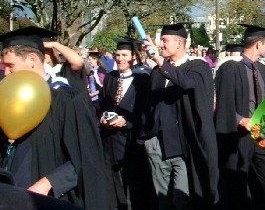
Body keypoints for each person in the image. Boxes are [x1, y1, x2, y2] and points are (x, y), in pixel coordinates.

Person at [0, 26, 111, 209]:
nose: (6, 73)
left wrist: (49, 182)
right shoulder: (7, 97)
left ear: (32, 60)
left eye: (10, 66)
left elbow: (87, 156)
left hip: (47, 199)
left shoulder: (65, 99)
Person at [140, 23, 219, 209]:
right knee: (163, 200)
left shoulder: (197, 67)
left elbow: (187, 83)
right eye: (161, 41)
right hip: (158, 145)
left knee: (181, 200)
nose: (161, 45)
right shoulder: (157, 72)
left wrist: (161, 62)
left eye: (165, 41)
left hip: (184, 147)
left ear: (179, 43)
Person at [214, 24, 265, 210]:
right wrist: (240, 119)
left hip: (262, 135)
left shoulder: (262, 69)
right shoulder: (230, 69)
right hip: (238, 137)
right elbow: (223, 104)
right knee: (238, 185)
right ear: (259, 44)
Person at [99, 37, 152, 209]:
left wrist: (127, 121)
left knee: (133, 183)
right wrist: (102, 117)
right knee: (112, 181)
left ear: (133, 58)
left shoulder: (142, 81)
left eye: (124, 55)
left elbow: (145, 110)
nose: (120, 58)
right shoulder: (110, 78)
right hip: (109, 140)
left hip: (131, 140)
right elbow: (101, 104)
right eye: (117, 55)